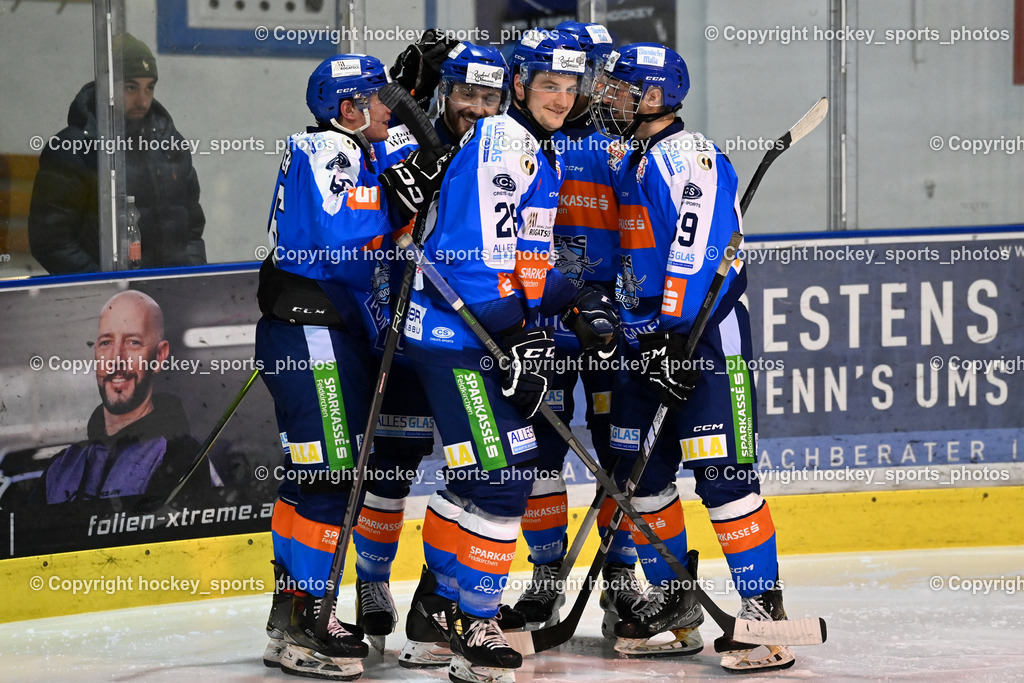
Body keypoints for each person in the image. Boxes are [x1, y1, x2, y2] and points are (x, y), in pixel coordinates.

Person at [399, 29, 617, 683]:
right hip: (458, 335)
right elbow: (481, 260)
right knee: (502, 474)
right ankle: (474, 625)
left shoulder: (528, 147)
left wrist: (574, 300)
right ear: (520, 86)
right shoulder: (505, 142)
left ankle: (438, 610)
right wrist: (516, 333)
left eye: (571, 85)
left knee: (479, 474)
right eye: (549, 83)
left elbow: (523, 261)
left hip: (473, 331)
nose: (563, 96)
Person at [592, 43, 795, 672]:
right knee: (639, 477)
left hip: (703, 341)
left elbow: (697, 245)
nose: (608, 98)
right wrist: (646, 336)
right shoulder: (633, 158)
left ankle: (765, 614)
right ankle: (677, 602)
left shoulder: (687, 154)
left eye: (621, 89)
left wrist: (676, 335)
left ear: (652, 98)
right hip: (645, 343)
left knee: (726, 477)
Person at [254, 53, 446, 680]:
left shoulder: (344, 149)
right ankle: (309, 618)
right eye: (380, 101)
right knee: (331, 476)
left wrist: (408, 170)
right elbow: (346, 234)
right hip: (312, 331)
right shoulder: (331, 153)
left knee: (313, 477)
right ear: (348, 108)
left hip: (318, 330)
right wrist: (404, 192)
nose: (389, 112)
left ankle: (292, 614)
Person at [349, 40, 520, 659]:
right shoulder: (403, 138)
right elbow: (402, 198)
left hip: (466, 333)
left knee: (470, 469)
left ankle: (440, 597)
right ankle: (371, 583)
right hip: (403, 319)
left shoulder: (506, 148)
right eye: (466, 94)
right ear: (445, 93)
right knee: (392, 462)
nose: (477, 107)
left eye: (490, 97)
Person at [509, 20, 642, 634]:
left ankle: (621, 577)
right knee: (541, 457)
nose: (576, 89)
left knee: (623, 453)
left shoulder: (625, 147)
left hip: (613, 325)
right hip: (550, 320)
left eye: (584, 76)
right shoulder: (520, 140)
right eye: (559, 77)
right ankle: (544, 575)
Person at [28, 33, 205, 274]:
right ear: (107, 86)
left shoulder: (170, 144)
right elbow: (51, 241)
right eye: (131, 87)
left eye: (149, 87)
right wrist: (107, 289)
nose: (143, 100)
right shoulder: (73, 149)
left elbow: (192, 229)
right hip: (105, 303)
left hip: (172, 294)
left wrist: (193, 281)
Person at [33, 290, 205, 504]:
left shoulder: (182, 457)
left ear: (160, 355)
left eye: (132, 342)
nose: (116, 360)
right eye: (106, 343)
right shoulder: (60, 468)